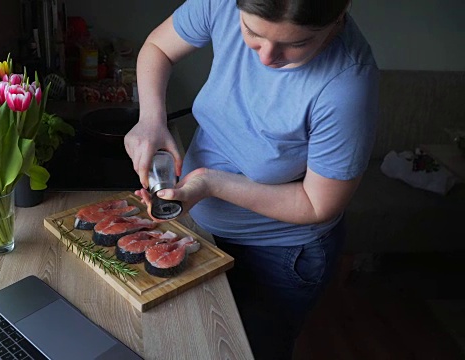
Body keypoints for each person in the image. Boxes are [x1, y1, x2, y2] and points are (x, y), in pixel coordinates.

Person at [124, 0, 379, 359]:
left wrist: (211, 184)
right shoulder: (222, 3)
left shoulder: (347, 86)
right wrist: (152, 118)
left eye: (297, 43)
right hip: (200, 228)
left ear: (339, 14)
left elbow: (318, 202)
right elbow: (158, 47)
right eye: (253, 33)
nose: (267, 58)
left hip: (279, 256)